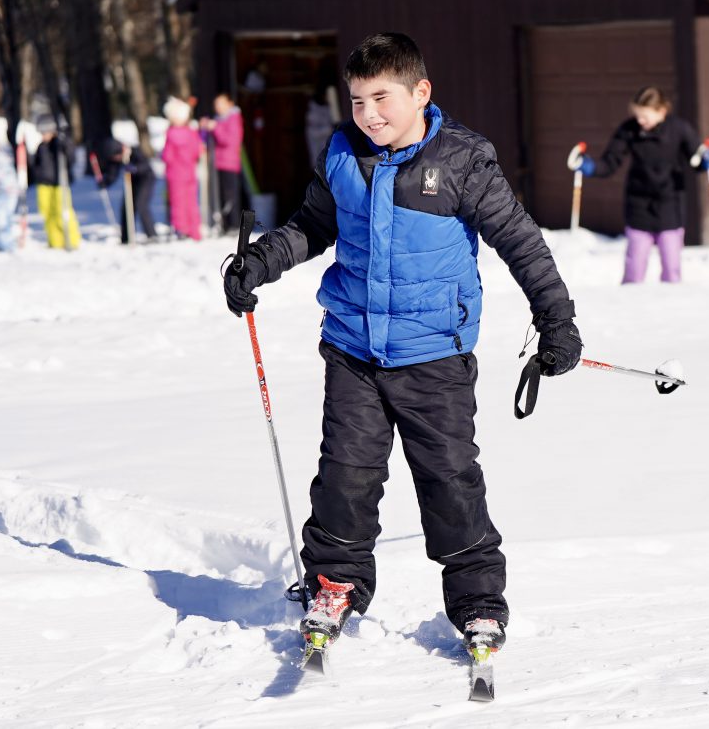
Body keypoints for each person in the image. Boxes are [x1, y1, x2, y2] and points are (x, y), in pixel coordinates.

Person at [223, 33, 582, 656]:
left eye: (381, 98)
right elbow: (313, 225)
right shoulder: (343, 152)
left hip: (434, 355)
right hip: (353, 350)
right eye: (357, 100)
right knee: (345, 477)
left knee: (449, 480)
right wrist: (259, 263)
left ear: (421, 92)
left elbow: (521, 242)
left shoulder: (464, 161)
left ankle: (477, 603)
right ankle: (334, 583)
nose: (368, 114)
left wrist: (557, 320)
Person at [570, 86, 709, 284]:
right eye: (637, 115)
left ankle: (674, 306)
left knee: (672, 270)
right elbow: (610, 163)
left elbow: (697, 159)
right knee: (634, 269)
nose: (640, 121)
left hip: (670, 204)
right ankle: (630, 308)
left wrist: (707, 159)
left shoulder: (679, 129)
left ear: (661, 112)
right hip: (638, 204)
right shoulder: (629, 130)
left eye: (645, 116)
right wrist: (589, 166)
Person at [32, 114, 81, 250]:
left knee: (62, 211)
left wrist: (65, 142)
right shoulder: (41, 147)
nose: (42, 136)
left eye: (45, 132)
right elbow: (36, 165)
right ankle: (55, 241)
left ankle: (71, 239)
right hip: (44, 184)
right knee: (46, 212)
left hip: (60, 183)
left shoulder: (59, 144)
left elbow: (71, 158)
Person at [98, 138, 158, 244]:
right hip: (131, 183)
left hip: (146, 180)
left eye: (117, 157)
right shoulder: (116, 158)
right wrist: (105, 182)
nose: (117, 159)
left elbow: (145, 166)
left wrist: (135, 168)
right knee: (126, 207)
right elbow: (113, 173)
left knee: (141, 205)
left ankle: (151, 235)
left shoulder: (134, 151)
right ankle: (126, 237)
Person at [161, 96, 204, 240]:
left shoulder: (171, 133)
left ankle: (181, 229)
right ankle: (194, 230)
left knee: (178, 202)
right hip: (190, 172)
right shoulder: (192, 132)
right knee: (191, 202)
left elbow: (167, 156)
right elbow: (198, 151)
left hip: (175, 173)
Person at [203, 93, 244, 233]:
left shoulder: (233, 119)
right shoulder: (219, 120)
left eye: (221, 103)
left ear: (229, 104)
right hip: (218, 163)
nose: (217, 107)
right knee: (220, 195)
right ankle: (224, 225)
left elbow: (229, 140)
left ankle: (234, 225)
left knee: (230, 196)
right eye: (216, 104)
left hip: (229, 163)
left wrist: (215, 128)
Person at [0, 117, 19, 252]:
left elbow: (0, 171)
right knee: (0, 218)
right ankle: (1, 242)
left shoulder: (2, 151)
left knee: (2, 219)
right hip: (0, 191)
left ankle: (6, 245)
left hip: (6, 190)